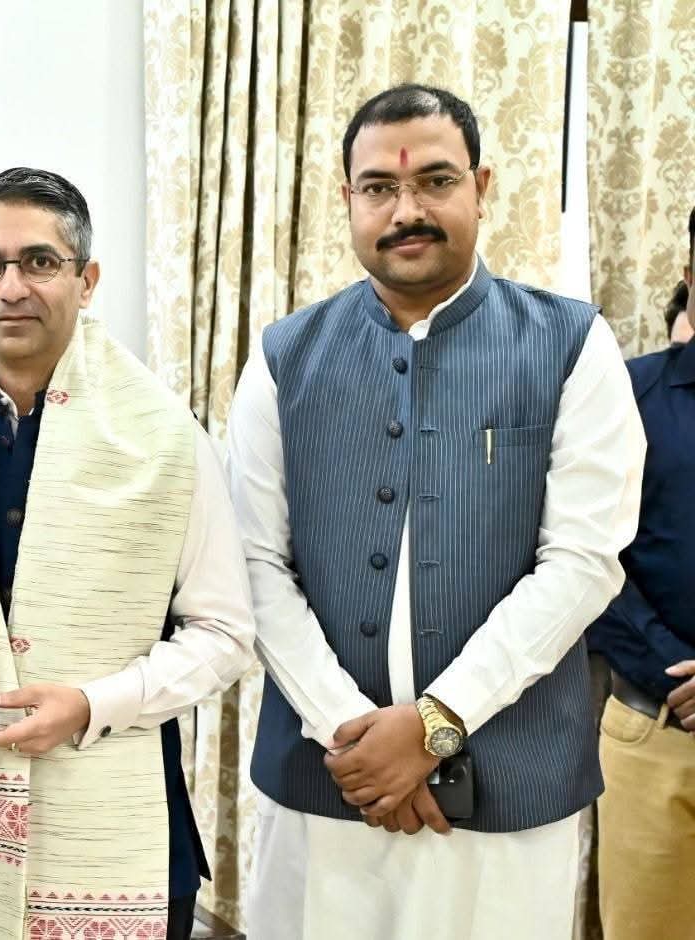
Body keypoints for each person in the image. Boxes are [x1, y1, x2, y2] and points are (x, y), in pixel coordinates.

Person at [228, 84, 645, 940]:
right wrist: (352, 736)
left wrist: (435, 724)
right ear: (347, 200)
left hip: (510, 792)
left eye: (436, 181)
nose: (406, 210)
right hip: (326, 784)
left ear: (482, 188)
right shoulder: (284, 356)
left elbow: (582, 562)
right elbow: (252, 561)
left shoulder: (570, 343)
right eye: (379, 187)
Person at [0, 167, 257, 939]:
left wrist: (91, 705)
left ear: (86, 279)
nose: (11, 288)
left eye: (39, 262)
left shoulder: (168, 442)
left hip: (122, 828)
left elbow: (223, 634)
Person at [586, 202, 695, 940]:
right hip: (657, 732)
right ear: (689, 272)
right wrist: (676, 674)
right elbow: (588, 559)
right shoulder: (629, 396)